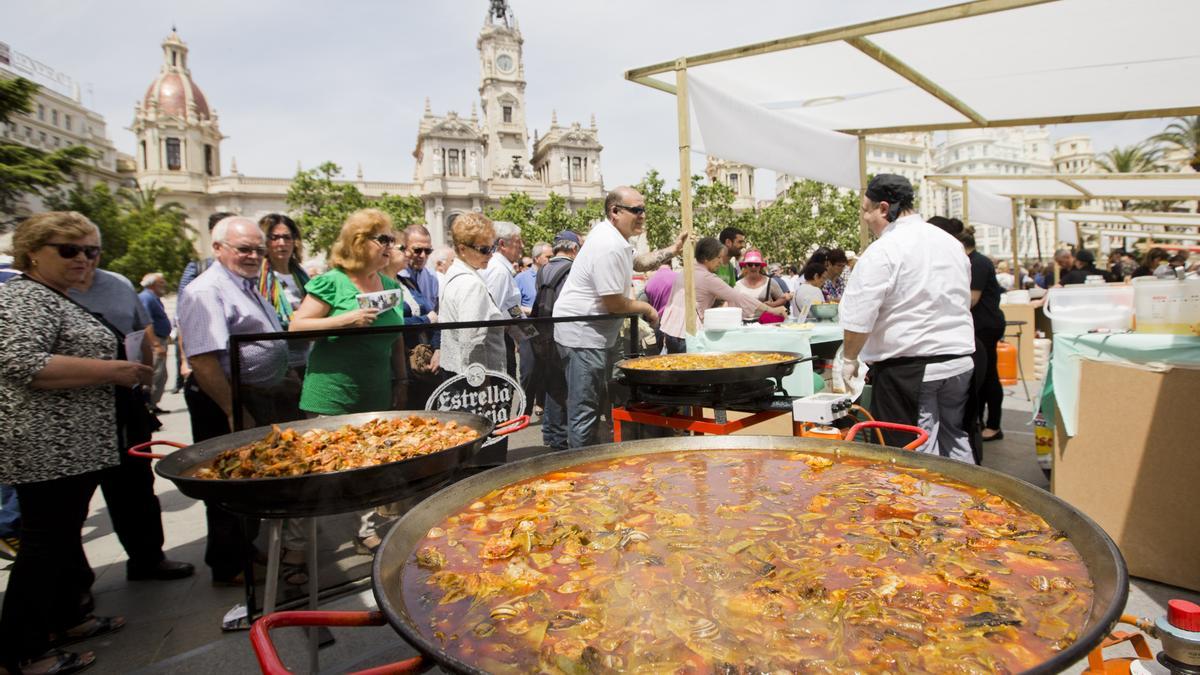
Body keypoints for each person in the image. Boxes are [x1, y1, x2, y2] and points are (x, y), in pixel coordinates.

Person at [0, 211, 154, 675]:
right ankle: (20, 652)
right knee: (44, 546)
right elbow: (21, 361)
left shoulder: (56, 296)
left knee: (62, 540)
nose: (83, 260)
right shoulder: (25, 296)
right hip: (47, 448)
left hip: (75, 445)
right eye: (69, 250)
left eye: (91, 251)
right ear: (33, 253)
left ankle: (66, 618)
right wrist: (113, 371)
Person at [178, 216, 301, 585]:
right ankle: (229, 564)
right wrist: (234, 411)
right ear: (218, 249)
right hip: (226, 399)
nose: (252, 256)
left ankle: (243, 550)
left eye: (256, 250)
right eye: (243, 249)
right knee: (230, 484)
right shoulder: (206, 290)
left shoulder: (246, 284)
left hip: (260, 395)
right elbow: (202, 359)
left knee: (251, 480)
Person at [290, 209, 406, 554]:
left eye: (391, 239)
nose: (390, 246)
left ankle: (365, 531)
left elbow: (396, 337)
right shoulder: (333, 280)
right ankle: (296, 546)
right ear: (359, 242)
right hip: (330, 396)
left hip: (375, 392)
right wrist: (345, 320)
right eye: (382, 239)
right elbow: (297, 326)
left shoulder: (388, 284)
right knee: (316, 472)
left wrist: (401, 377)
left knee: (368, 467)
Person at [838, 174, 976, 462]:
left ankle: (926, 507)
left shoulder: (885, 249)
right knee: (955, 438)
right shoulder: (950, 243)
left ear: (884, 208)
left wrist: (849, 359)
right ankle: (969, 504)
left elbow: (860, 314)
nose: (865, 217)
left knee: (915, 451)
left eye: (866, 210)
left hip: (912, 367)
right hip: (959, 361)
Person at [553, 187, 663, 448]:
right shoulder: (609, 245)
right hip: (583, 336)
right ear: (615, 211)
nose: (643, 215)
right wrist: (647, 310)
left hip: (594, 335)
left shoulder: (614, 237)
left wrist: (675, 248)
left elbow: (642, 262)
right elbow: (614, 303)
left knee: (597, 404)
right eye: (636, 210)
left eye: (643, 209)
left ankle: (593, 458)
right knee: (585, 409)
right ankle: (579, 473)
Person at [660, 237, 786, 353]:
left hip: (670, 331)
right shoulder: (707, 278)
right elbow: (739, 297)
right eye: (718, 258)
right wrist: (773, 310)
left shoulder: (687, 269)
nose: (721, 262)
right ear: (706, 259)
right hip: (688, 335)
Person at [440, 212, 508, 376]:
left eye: (492, 248)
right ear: (462, 249)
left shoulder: (454, 273)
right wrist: (482, 385)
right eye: (484, 250)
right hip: (476, 378)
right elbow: (471, 341)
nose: (491, 254)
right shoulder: (471, 284)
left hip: (455, 370)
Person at [532, 231, 582, 450]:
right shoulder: (571, 270)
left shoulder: (544, 270)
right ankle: (561, 439)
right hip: (563, 334)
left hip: (544, 334)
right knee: (566, 388)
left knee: (552, 385)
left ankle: (551, 434)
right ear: (573, 249)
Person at [961, 231, 1006, 447]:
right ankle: (983, 422)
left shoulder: (977, 263)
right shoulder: (976, 261)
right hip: (982, 325)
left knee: (987, 376)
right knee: (982, 376)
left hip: (985, 326)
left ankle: (994, 425)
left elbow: (973, 298)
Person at [482, 220, 526, 380]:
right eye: (517, 241)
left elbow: (512, 308)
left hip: (504, 339)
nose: (521, 245)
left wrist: (528, 334)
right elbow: (493, 312)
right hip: (496, 344)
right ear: (502, 244)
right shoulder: (498, 271)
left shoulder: (503, 270)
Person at [138, 273, 172, 410]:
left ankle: (152, 404)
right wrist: (156, 344)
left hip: (161, 339)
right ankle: (147, 404)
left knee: (161, 375)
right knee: (154, 375)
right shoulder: (146, 298)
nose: (164, 285)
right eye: (161, 283)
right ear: (152, 284)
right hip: (155, 342)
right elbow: (146, 322)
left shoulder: (154, 298)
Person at [734, 250, 792, 322]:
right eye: (750, 264)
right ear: (745, 265)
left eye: (757, 264)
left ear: (761, 266)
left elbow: (782, 298)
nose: (753, 267)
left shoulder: (770, 282)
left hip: (766, 323)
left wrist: (772, 305)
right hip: (744, 324)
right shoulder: (737, 285)